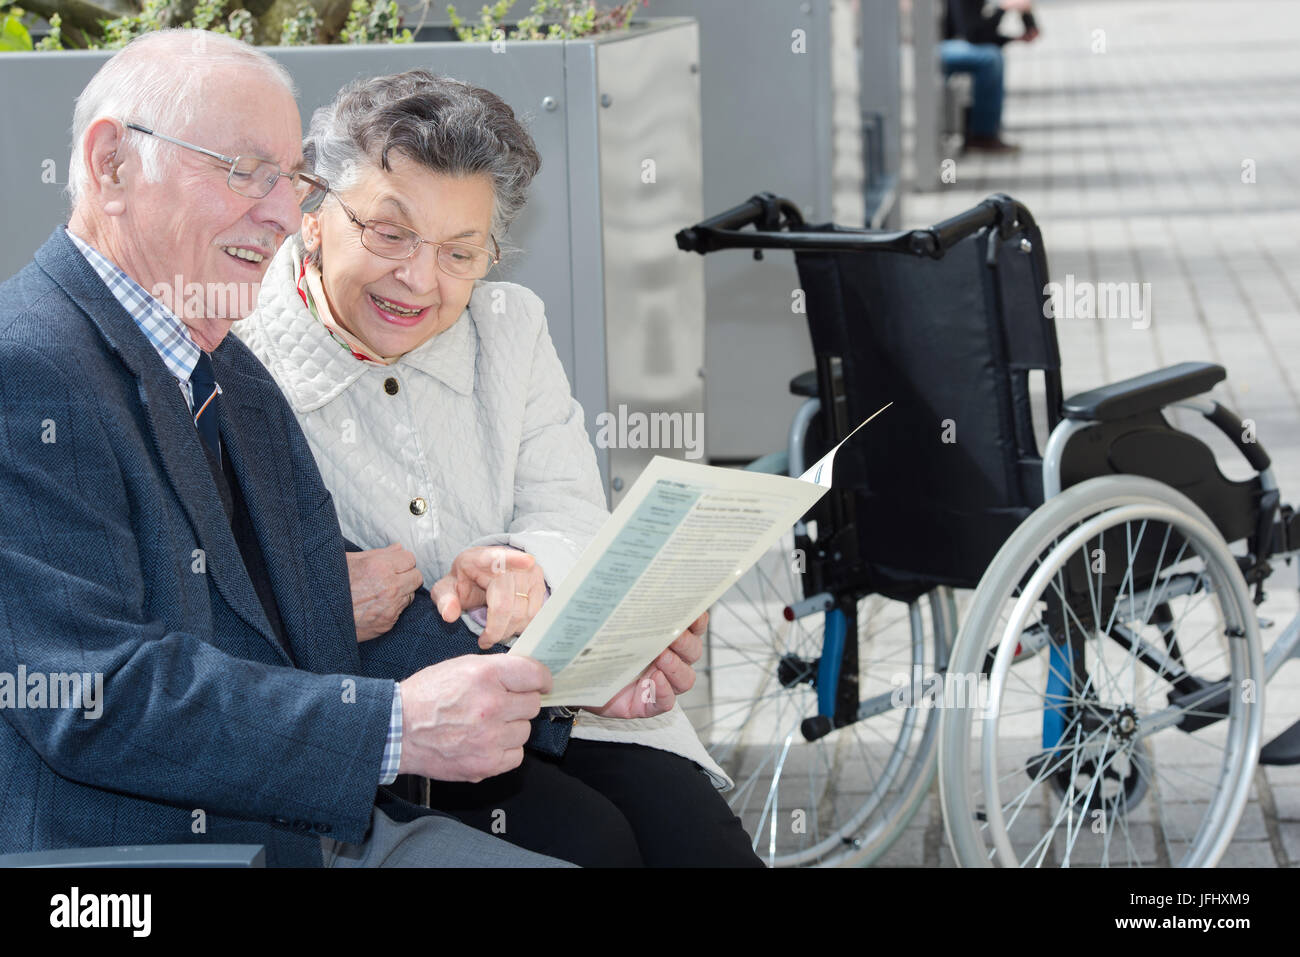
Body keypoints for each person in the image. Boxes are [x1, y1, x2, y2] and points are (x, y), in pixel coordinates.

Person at [0, 28, 700, 868]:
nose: (281, 210)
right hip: (126, 863)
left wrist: (573, 676)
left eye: (289, 179)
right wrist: (395, 729)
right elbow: (97, 696)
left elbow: (315, 621)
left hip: (289, 825)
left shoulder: (224, 367)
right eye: (242, 171)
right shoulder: (28, 365)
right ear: (111, 164)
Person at [236, 70, 764, 867]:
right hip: (393, 728)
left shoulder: (511, 328)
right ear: (314, 213)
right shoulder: (237, 356)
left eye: (461, 251)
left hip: (566, 696)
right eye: (389, 233)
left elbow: (573, 512)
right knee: (593, 843)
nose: (419, 279)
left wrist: (527, 566)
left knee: (699, 841)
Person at [941, 0, 1039, 153]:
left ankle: (983, 131)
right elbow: (973, 34)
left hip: (953, 42)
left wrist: (1015, 36)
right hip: (936, 46)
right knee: (990, 59)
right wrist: (1003, 8)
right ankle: (983, 135)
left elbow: (980, 34)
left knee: (992, 55)